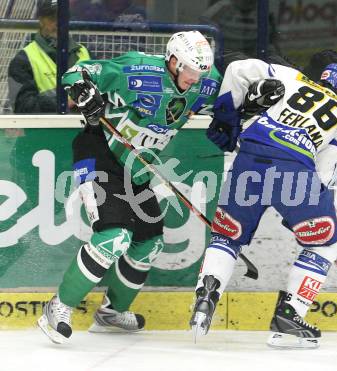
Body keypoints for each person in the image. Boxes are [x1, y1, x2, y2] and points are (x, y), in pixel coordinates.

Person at [37, 30, 222, 344]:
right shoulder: (136, 70)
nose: (195, 78)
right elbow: (75, 73)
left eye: (200, 72)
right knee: (114, 237)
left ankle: (111, 312)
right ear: (173, 61)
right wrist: (83, 91)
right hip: (98, 154)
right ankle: (58, 307)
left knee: (149, 243)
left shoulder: (206, 81)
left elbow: (232, 89)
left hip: (137, 169)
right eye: (190, 70)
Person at [190, 58, 337, 349]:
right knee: (325, 243)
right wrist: (301, 211)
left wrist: (226, 116)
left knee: (227, 236)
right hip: (294, 170)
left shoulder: (291, 76)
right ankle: (290, 317)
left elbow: (236, 69)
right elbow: (325, 174)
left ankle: (205, 300)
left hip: (249, 158)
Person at [7, 0, 90, 113]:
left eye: (62, 16)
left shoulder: (84, 52)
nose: (57, 22)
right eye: (52, 18)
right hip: (48, 129)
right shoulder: (23, 60)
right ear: (40, 20)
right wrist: (64, 103)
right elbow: (21, 107)